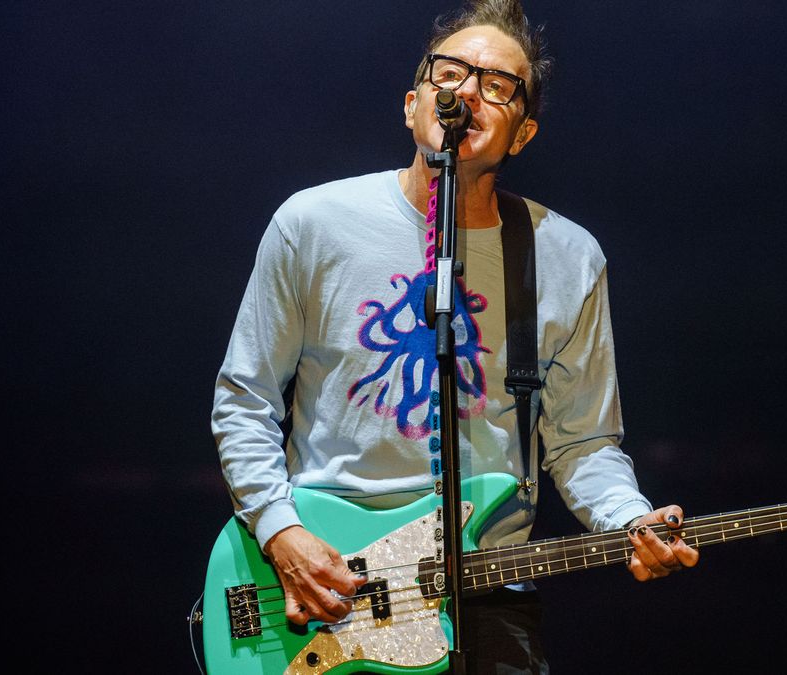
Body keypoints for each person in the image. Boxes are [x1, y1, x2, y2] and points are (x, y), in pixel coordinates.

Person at [211, 1, 698, 671]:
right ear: (413, 103)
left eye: (496, 85)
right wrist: (280, 531)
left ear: (521, 134)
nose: (467, 91)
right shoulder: (312, 225)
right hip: (323, 585)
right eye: (450, 74)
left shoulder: (565, 256)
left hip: (489, 595)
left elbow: (583, 442)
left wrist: (630, 520)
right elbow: (245, 397)